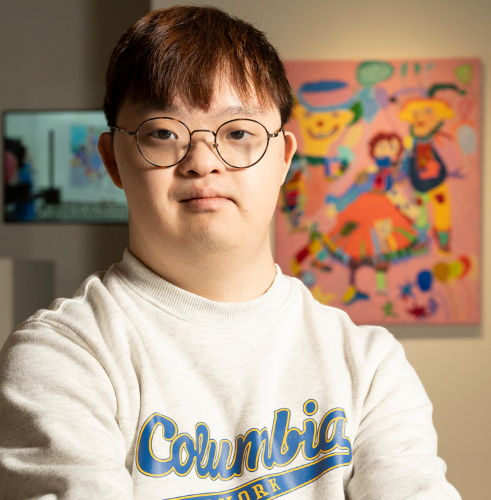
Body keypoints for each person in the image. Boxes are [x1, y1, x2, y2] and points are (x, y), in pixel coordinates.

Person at [0, 6, 461, 500]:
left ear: (283, 158)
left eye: (238, 133)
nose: (202, 162)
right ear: (113, 160)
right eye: (163, 132)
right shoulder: (62, 356)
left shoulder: (367, 366)